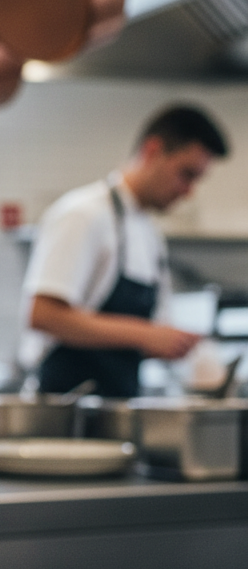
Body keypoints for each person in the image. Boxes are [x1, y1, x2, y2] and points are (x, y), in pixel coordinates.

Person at [21, 104, 229, 398]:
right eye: (186, 174)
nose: (188, 191)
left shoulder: (149, 235)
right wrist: (147, 335)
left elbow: (138, 338)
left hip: (118, 409)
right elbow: (43, 315)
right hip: (68, 414)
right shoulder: (84, 214)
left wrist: (174, 344)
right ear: (153, 150)